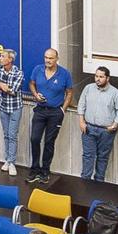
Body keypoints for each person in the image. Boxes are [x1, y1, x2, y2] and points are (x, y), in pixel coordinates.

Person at [27, 47, 73, 176]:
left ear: (57, 59)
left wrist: (62, 110)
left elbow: (69, 93)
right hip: (40, 110)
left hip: (55, 113)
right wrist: (35, 95)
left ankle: (45, 170)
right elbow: (31, 83)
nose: (48, 60)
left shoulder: (65, 74)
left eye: (51, 58)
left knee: (49, 142)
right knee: (35, 139)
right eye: (46, 57)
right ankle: (34, 168)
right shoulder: (38, 69)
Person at [77, 66, 118, 182]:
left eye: (101, 77)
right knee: (88, 156)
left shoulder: (115, 93)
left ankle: (99, 182)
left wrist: (114, 125)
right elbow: (81, 105)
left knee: (102, 157)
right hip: (88, 128)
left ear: (107, 78)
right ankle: (85, 181)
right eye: (96, 76)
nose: (98, 79)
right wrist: (81, 121)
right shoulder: (88, 88)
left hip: (105, 131)